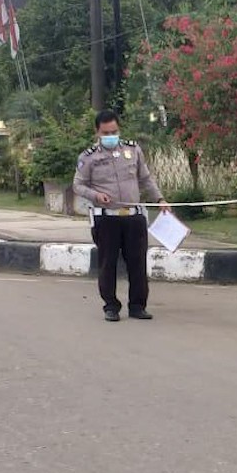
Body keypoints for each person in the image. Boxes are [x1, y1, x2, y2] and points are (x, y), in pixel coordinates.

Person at [72, 109, 170, 323]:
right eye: (106, 133)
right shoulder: (89, 158)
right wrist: (96, 195)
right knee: (108, 264)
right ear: (97, 132)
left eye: (114, 131)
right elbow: (78, 185)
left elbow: (145, 179)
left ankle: (137, 305)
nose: (110, 136)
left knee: (137, 263)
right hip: (107, 218)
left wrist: (160, 200)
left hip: (134, 218)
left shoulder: (133, 150)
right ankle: (111, 306)